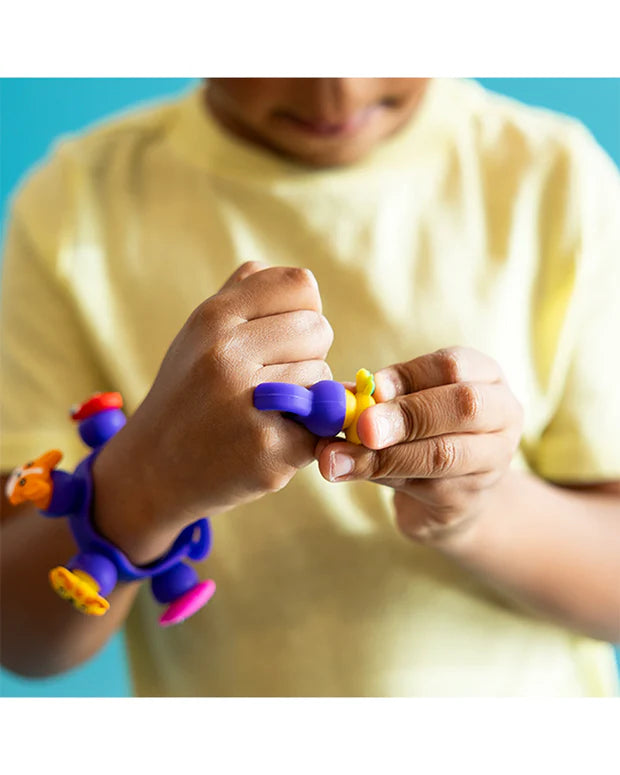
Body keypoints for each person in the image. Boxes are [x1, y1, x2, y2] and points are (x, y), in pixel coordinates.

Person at [1, 78, 619, 697]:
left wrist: (478, 512)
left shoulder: (557, 182)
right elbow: (17, 634)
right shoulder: (74, 208)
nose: (337, 96)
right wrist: (148, 481)